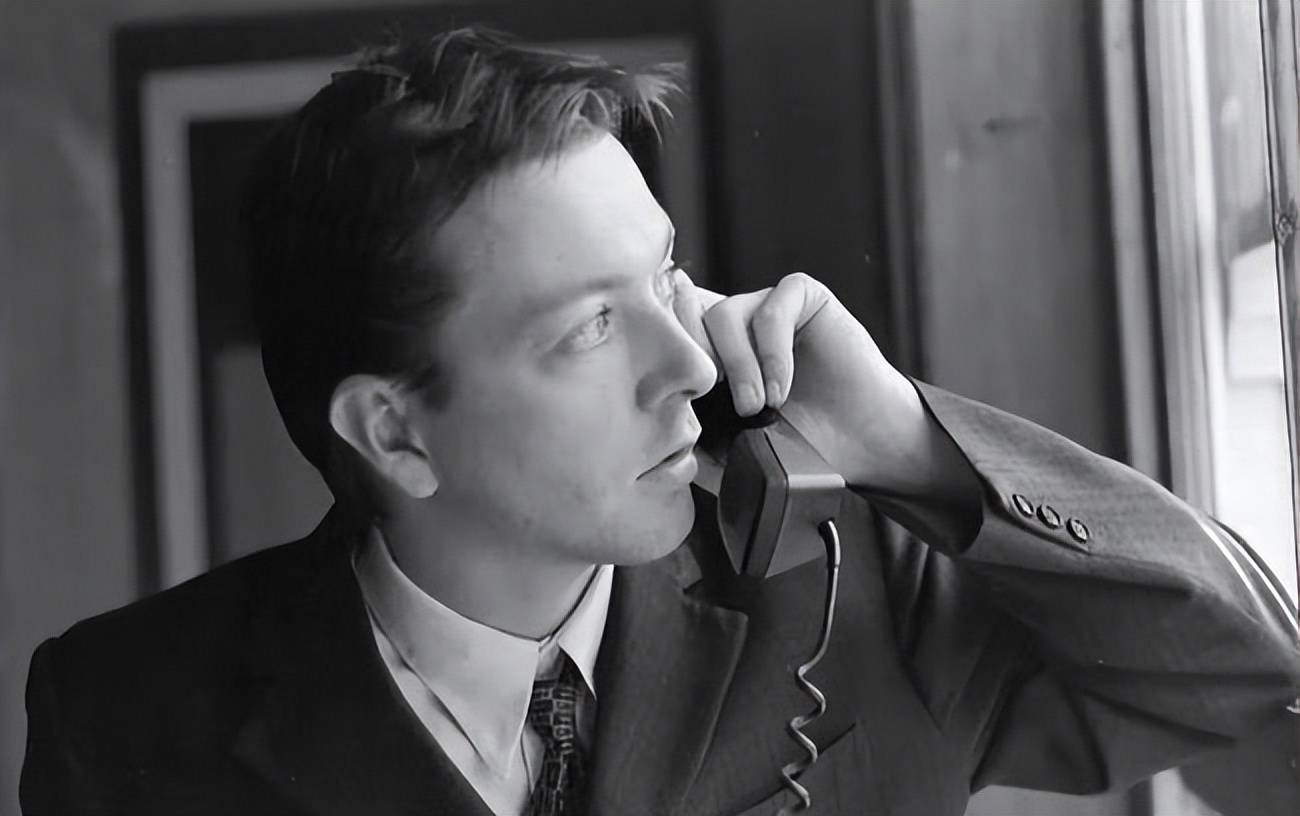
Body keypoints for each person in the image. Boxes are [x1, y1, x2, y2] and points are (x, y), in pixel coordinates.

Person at [20, 28, 1300, 816]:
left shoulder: (856, 584)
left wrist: (903, 436)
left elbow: (1245, 669)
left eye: (665, 277)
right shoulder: (124, 716)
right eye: (589, 326)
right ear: (395, 434)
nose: (688, 361)